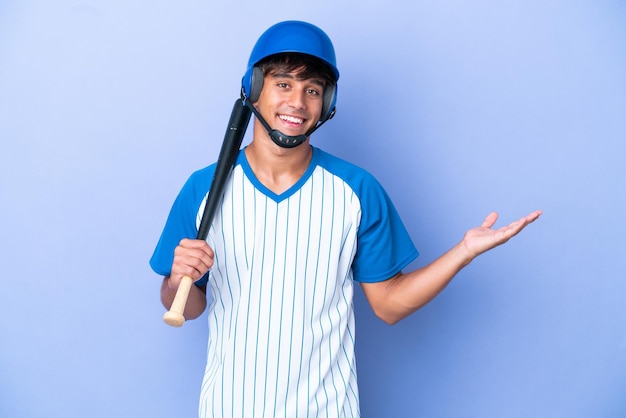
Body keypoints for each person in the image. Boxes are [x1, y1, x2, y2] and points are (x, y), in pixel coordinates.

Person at [150, 20, 541, 418]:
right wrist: (177, 280)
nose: (298, 102)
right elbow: (185, 305)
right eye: (283, 84)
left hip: (327, 409)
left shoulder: (356, 190)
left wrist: (462, 252)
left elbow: (389, 305)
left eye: (312, 90)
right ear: (253, 90)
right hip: (229, 407)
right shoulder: (202, 189)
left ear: (327, 103)